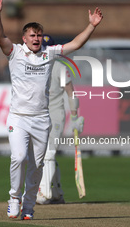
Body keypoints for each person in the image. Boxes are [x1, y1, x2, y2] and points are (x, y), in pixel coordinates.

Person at [0, 0, 103, 220]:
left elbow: (76, 44)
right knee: (19, 157)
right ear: (24, 38)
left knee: (38, 165)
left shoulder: (49, 53)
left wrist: (91, 26)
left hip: (42, 119)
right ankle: (14, 197)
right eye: (32, 35)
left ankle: (29, 207)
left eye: (39, 35)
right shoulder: (15, 52)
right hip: (19, 117)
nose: (36, 38)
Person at [36, 34, 85, 205]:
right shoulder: (36, 65)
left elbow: (71, 93)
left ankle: (45, 193)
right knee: (45, 154)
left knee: (49, 152)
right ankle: (57, 193)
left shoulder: (60, 68)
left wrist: (74, 116)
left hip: (55, 114)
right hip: (39, 115)